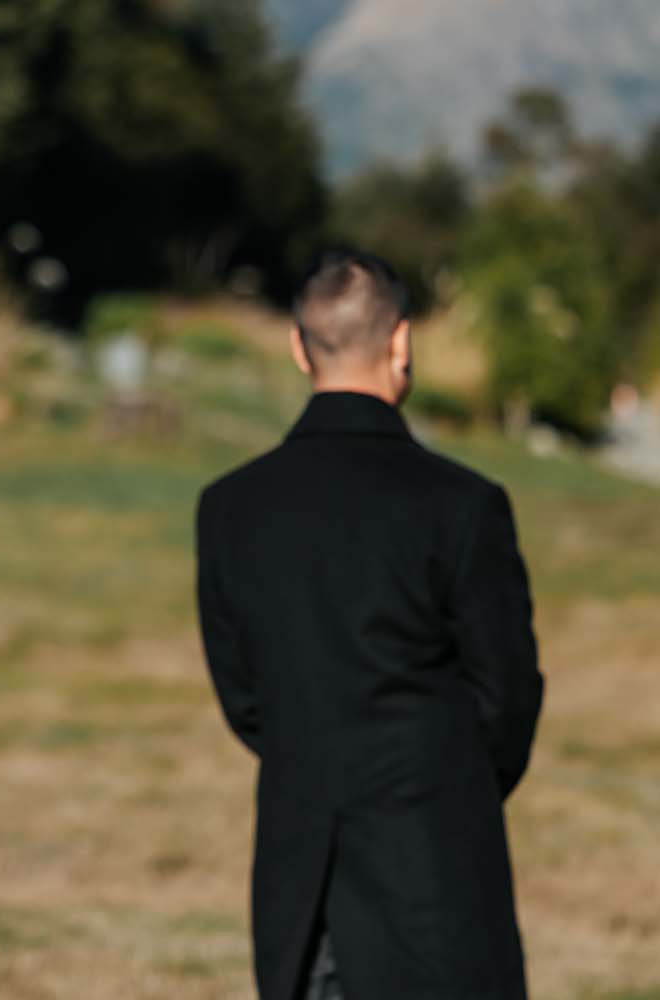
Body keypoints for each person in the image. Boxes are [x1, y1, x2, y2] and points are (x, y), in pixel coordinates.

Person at [194, 250, 544, 1000]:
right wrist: (450, 787)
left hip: (300, 866)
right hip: (436, 870)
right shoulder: (462, 505)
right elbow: (507, 694)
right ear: (403, 343)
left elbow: (244, 695)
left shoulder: (230, 507)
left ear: (298, 347)